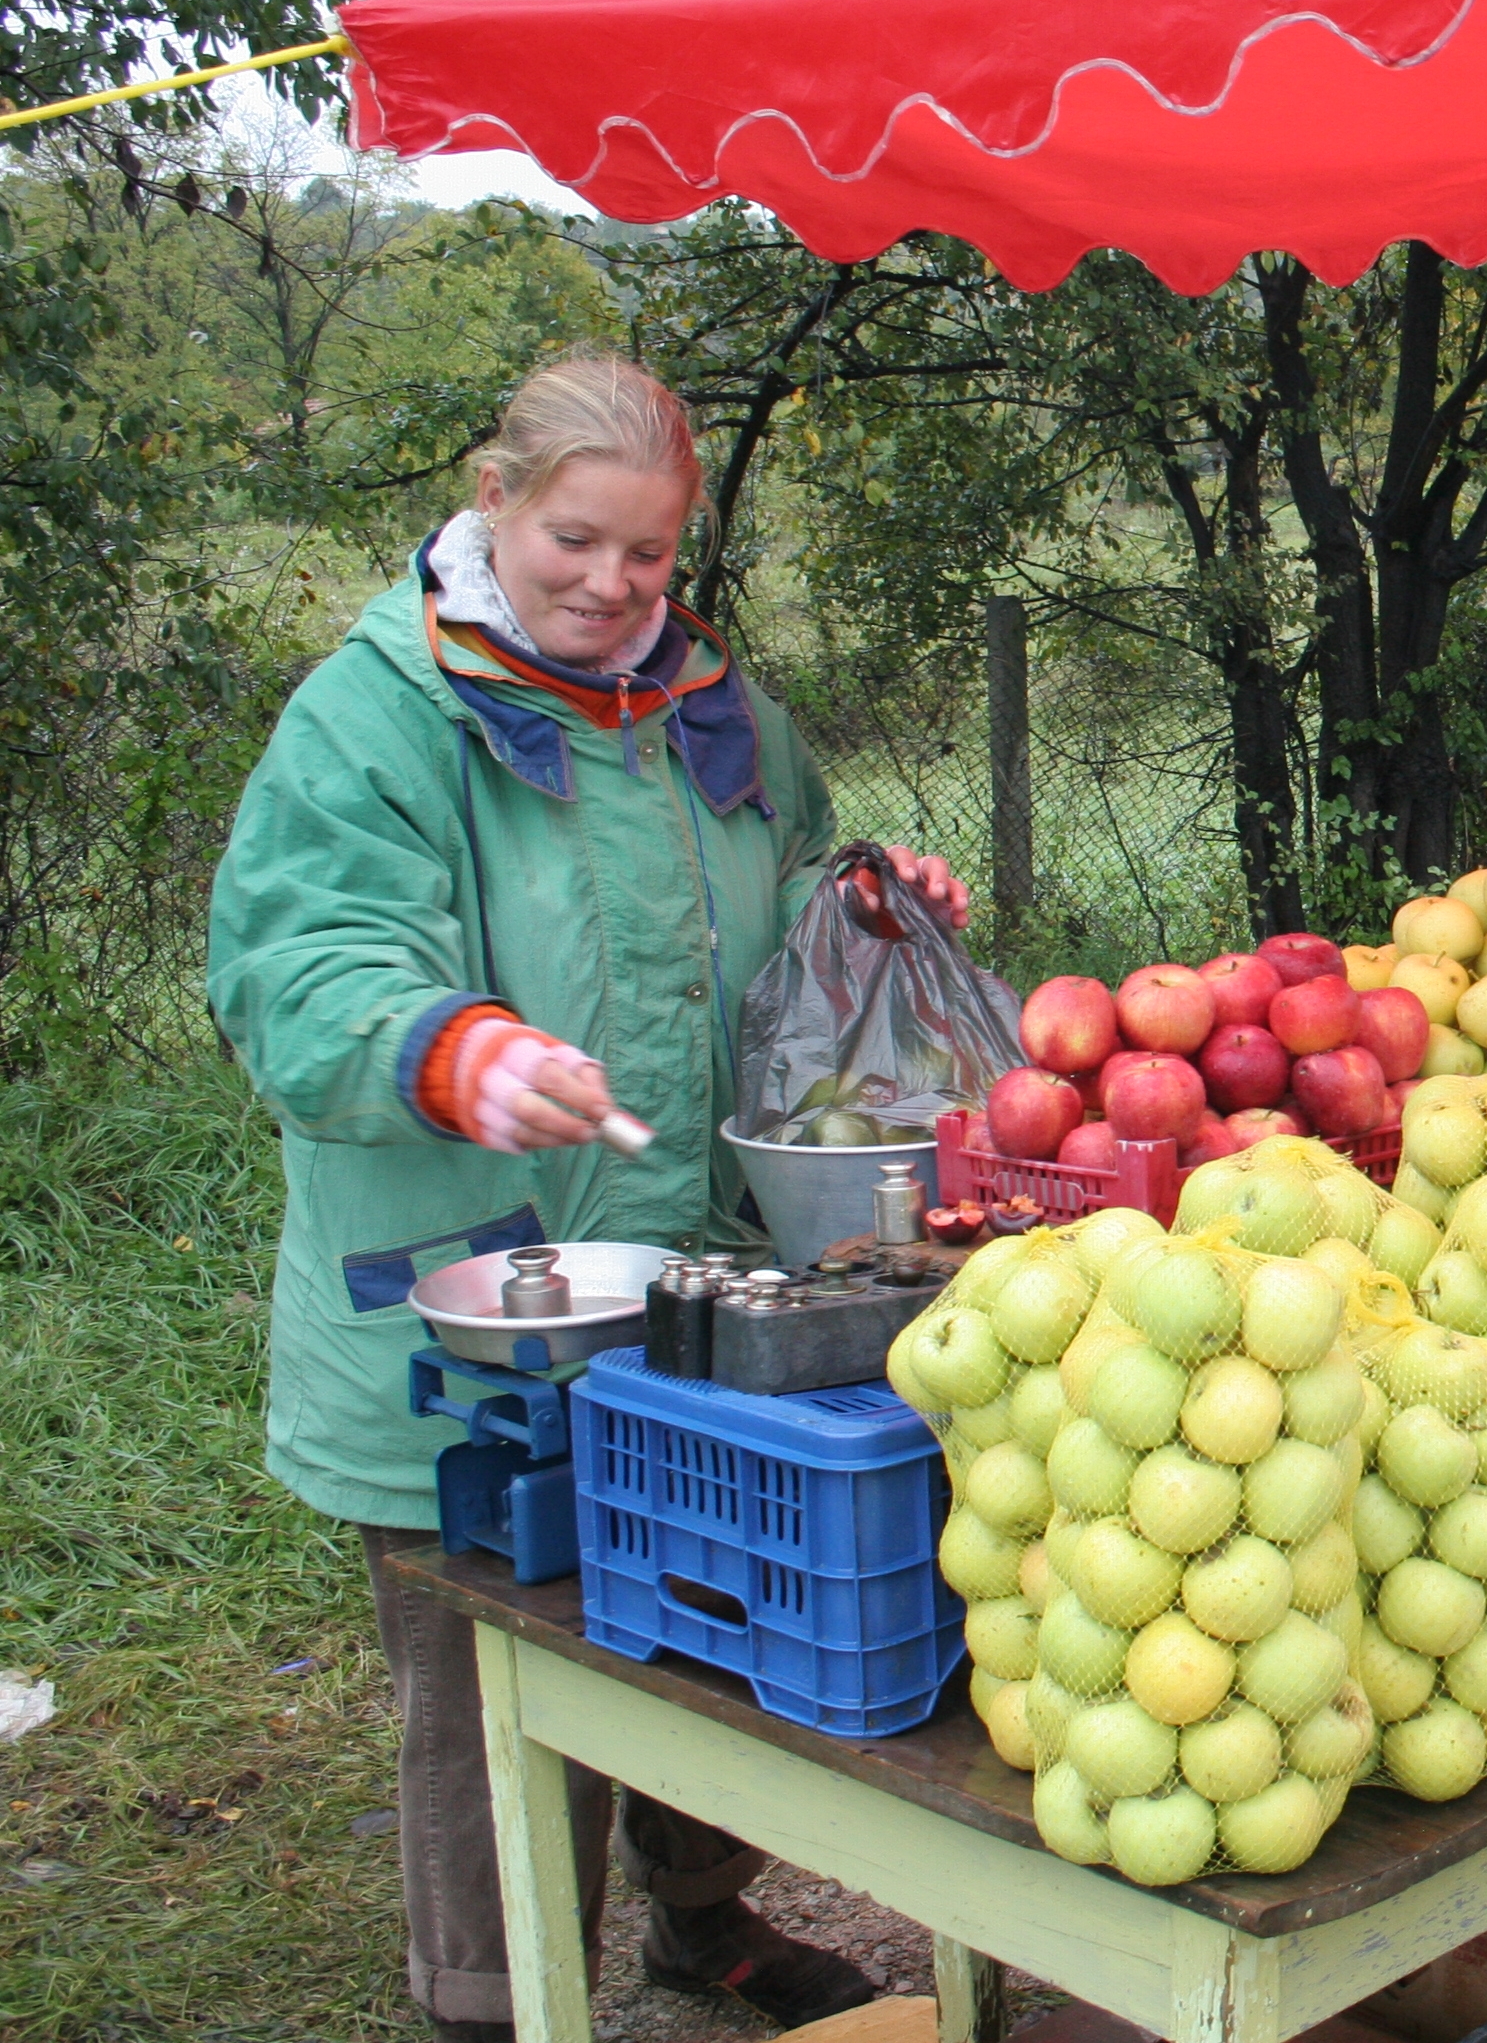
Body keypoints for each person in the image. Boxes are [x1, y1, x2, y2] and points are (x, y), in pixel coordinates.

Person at [208, 353, 971, 2039]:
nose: (612, 586)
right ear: (495, 502)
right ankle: (490, 2003)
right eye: (573, 540)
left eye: (647, 553)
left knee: (705, 1594)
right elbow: (295, 958)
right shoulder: (381, 712)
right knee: (492, 1667)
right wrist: (440, 1046)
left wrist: (864, 910)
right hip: (469, 1295)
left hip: (691, 1272)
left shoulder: (715, 710)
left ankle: (705, 1929)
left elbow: (786, 930)